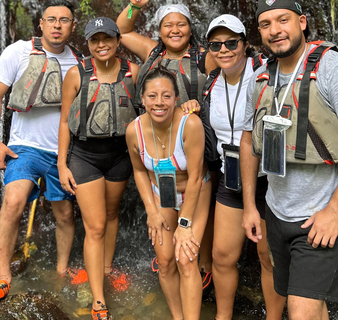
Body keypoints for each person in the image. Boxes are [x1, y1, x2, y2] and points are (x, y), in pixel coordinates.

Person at [241, 1, 338, 319]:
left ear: (301, 22)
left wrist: (336, 209)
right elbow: (248, 141)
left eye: (283, 20)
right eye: (265, 24)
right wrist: (250, 205)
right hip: (277, 211)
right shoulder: (260, 79)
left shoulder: (333, 69)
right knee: (310, 306)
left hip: (320, 215)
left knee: (300, 311)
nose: (275, 30)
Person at [0, 0, 80, 303]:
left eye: (64, 20)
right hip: (24, 146)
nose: (57, 25)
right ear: (41, 23)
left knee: (63, 213)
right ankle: (3, 277)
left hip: (61, 152)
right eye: (51, 19)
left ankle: (62, 272)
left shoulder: (79, 63)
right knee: (13, 202)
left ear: (73, 26)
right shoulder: (19, 52)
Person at [192, 14, 286, 320]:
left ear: (245, 44)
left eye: (231, 42)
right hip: (230, 178)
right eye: (216, 44)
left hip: (269, 179)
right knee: (221, 256)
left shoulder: (265, 75)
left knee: (267, 256)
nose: (224, 50)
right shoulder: (210, 85)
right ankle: (223, 316)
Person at [117, 0, 215, 291]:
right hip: (157, 144)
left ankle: (204, 264)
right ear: (158, 31)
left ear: (190, 27)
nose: (175, 30)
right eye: (168, 25)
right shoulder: (151, 52)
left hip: (197, 138)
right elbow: (122, 30)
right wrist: (134, 5)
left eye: (181, 23)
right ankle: (170, 256)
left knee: (201, 200)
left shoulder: (205, 57)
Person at [57, 17, 139, 320]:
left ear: (118, 41)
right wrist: (61, 163)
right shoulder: (76, 74)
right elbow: (65, 120)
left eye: (107, 39)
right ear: (88, 44)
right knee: (95, 226)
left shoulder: (133, 72)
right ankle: (98, 299)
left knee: (113, 213)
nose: (101, 45)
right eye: (95, 40)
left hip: (120, 155)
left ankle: (106, 269)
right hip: (85, 156)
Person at [125, 67, 211, 320]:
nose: (159, 103)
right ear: (142, 99)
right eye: (152, 96)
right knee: (164, 262)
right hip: (161, 195)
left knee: (185, 259)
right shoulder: (134, 131)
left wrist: (184, 225)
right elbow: (139, 171)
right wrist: (151, 211)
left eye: (166, 96)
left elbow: (195, 177)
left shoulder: (190, 124)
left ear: (176, 99)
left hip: (194, 194)